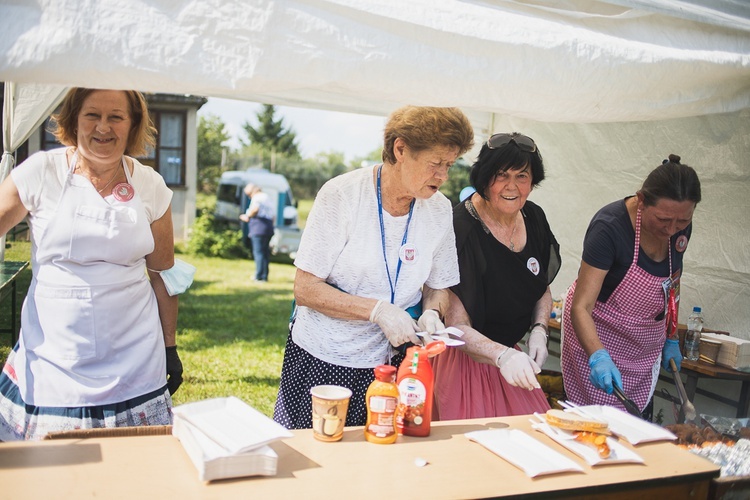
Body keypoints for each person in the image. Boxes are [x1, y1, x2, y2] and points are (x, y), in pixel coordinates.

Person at [0, 88, 188, 440]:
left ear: (132, 125)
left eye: (116, 116)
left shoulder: (150, 184)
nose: (104, 127)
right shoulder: (42, 172)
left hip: (134, 359)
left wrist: (169, 346)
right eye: (92, 115)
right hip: (53, 360)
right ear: (73, 120)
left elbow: (163, 274)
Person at [273, 105, 474, 429]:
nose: (444, 176)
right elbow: (306, 289)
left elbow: (439, 284)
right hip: (327, 358)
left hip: (397, 364)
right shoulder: (342, 196)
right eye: (436, 164)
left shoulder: (438, 210)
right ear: (400, 149)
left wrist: (433, 313)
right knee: (317, 460)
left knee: (380, 463)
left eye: (449, 165)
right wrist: (377, 310)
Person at [561, 154, 701, 420]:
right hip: (597, 335)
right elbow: (581, 306)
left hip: (643, 346)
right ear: (642, 199)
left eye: (682, 222)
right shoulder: (610, 227)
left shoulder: (680, 225)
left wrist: (671, 335)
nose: (672, 229)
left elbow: (673, 284)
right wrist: (598, 356)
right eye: (663, 220)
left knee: (635, 427)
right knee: (592, 428)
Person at [432, 132, 561, 419]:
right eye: (501, 175)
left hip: (510, 360)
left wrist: (540, 329)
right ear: (484, 177)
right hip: (467, 361)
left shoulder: (534, 217)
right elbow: (456, 326)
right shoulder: (460, 229)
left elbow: (540, 287)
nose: (512, 186)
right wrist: (503, 356)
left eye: (522, 176)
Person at [239, 183, 275, 282]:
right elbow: (273, 216)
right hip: (268, 227)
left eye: (249, 194)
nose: (249, 197)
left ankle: (258, 276)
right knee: (265, 253)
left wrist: (247, 216)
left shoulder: (257, 198)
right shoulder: (268, 197)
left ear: (253, 191)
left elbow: (255, 209)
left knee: (258, 252)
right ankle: (264, 276)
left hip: (258, 227)